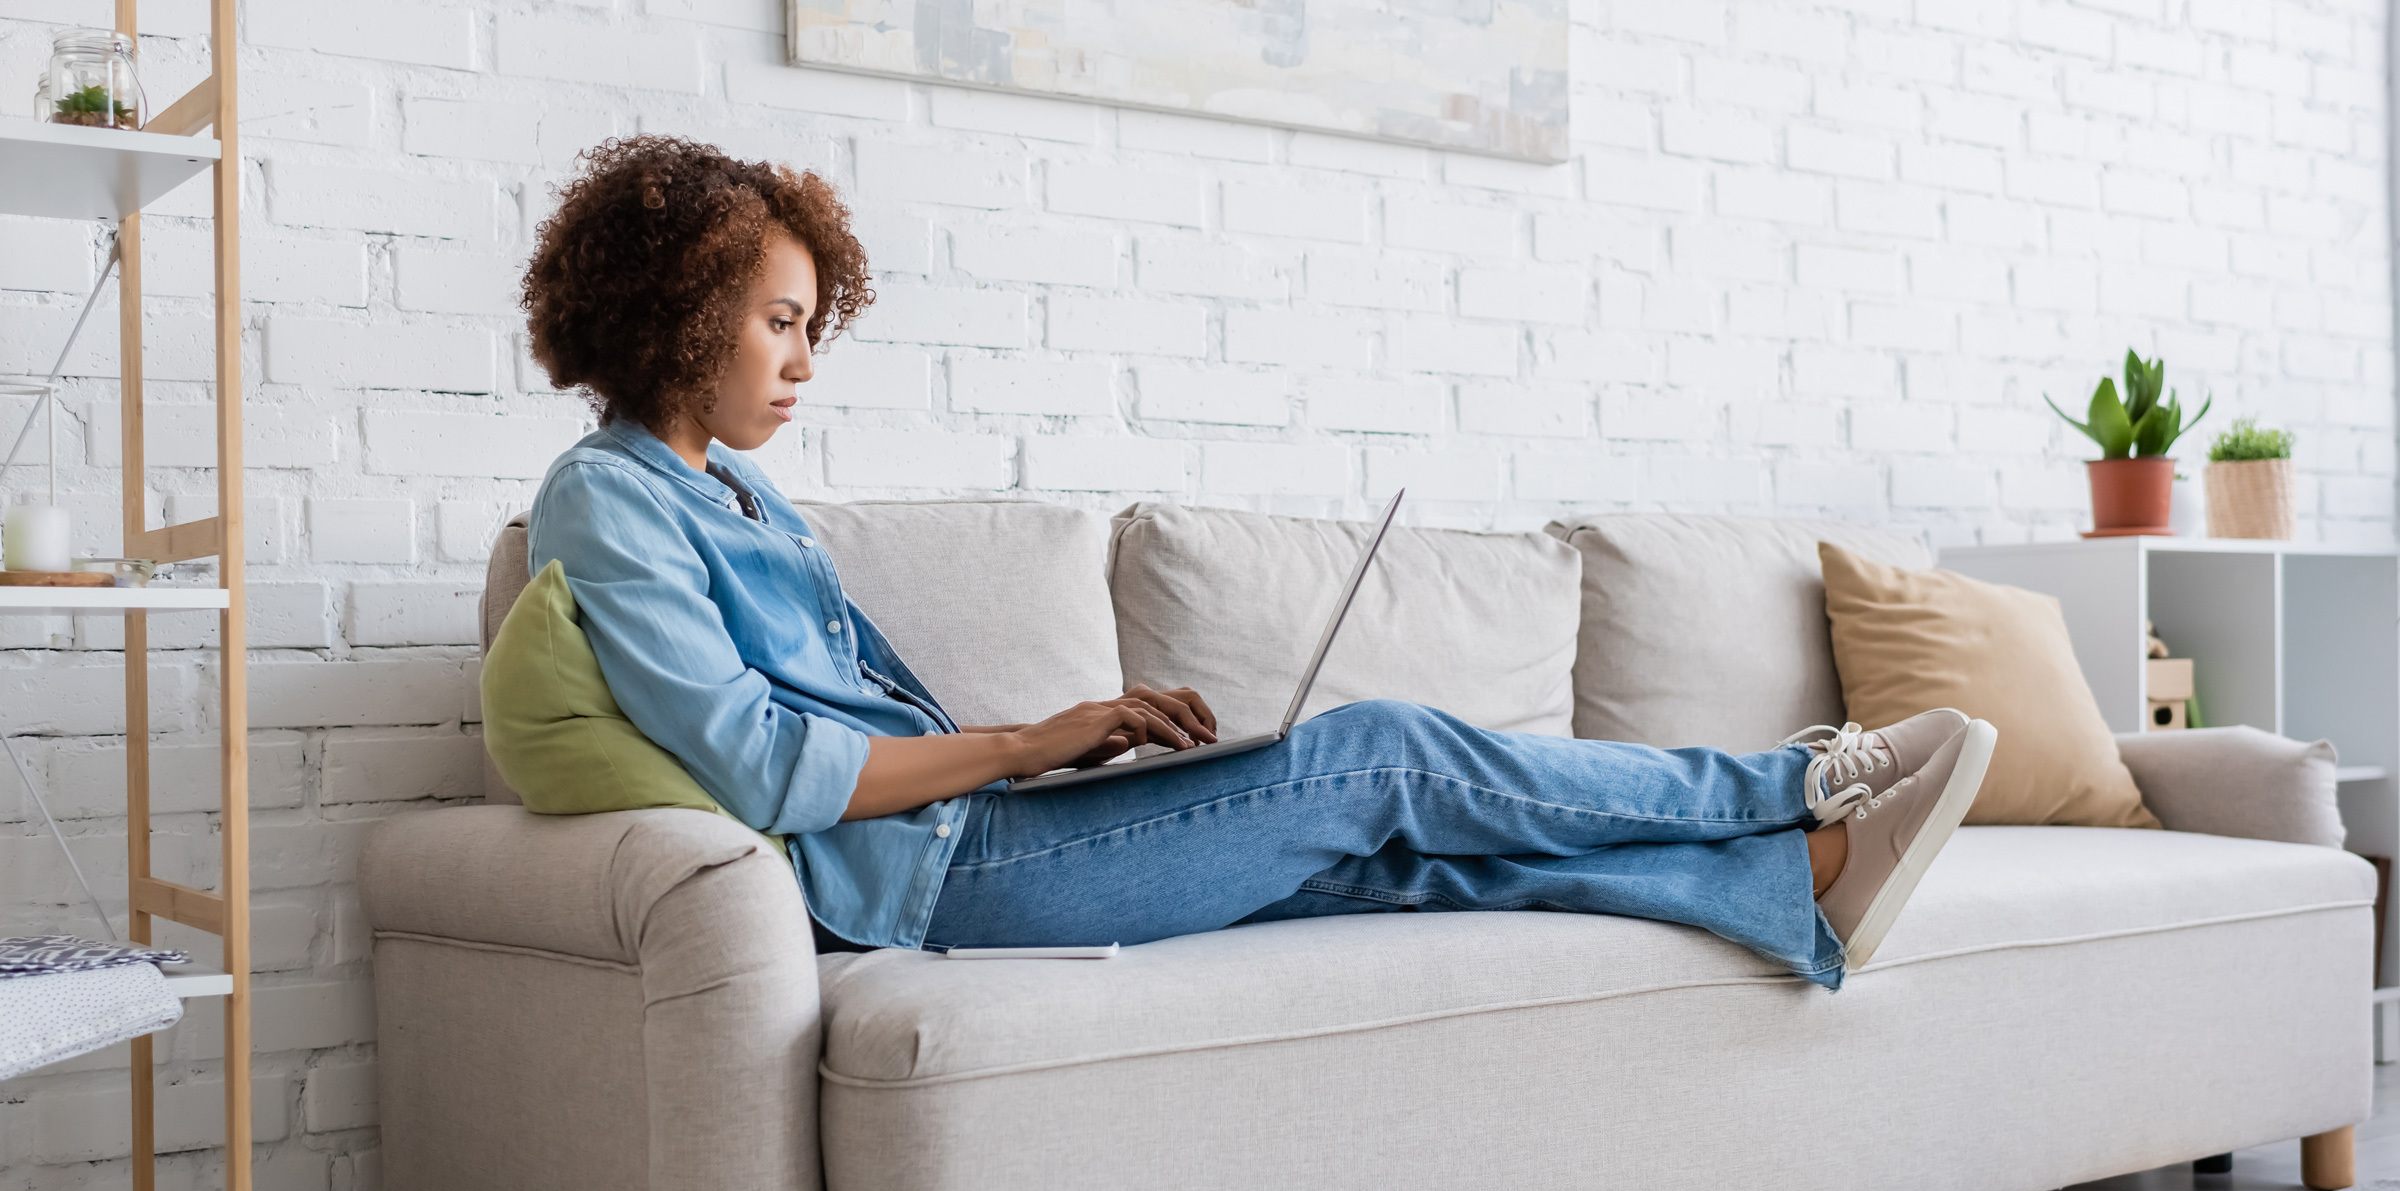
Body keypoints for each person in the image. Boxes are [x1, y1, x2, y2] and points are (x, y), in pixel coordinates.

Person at [515, 136, 1995, 991]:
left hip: (980, 832)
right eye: (778, 322)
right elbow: (771, 766)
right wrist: (1036, 736)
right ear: (676, 307)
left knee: (1393, 855)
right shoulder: (608, 505)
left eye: (807, 327)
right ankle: (1793, 781)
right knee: (1382, 759)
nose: (801, 364)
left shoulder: (747, 502)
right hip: (930, 881)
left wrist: (1068, 752)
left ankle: (1782, 882)